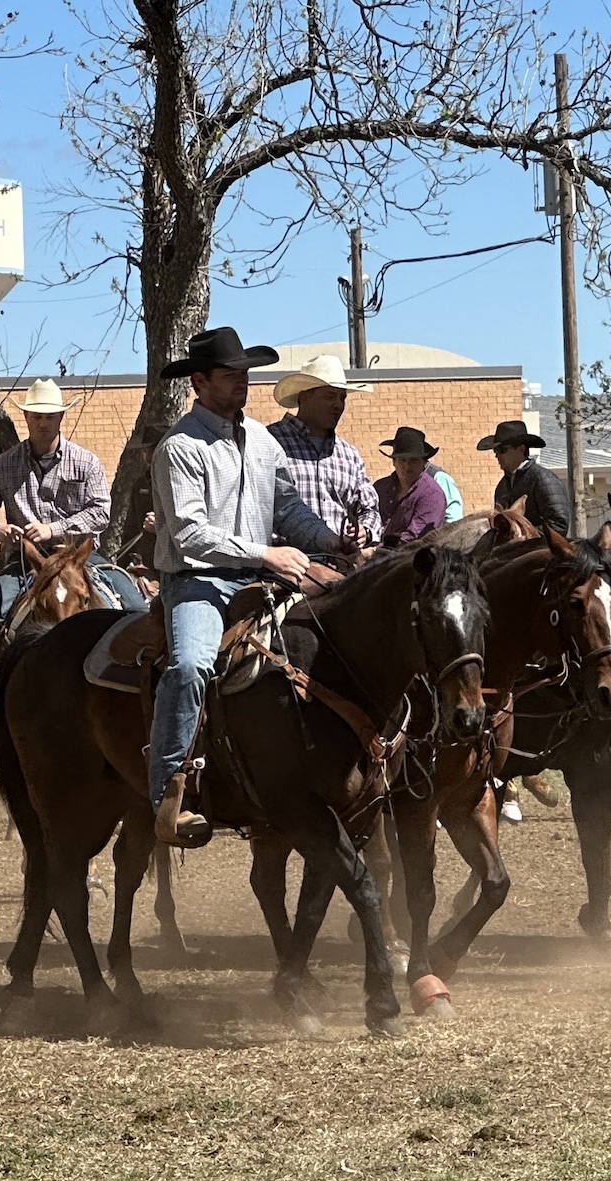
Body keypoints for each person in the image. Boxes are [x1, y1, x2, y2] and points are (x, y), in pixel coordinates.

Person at [150, 327, 347, 846]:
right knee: (190, 663)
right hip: (197, 581)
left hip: (259, 575)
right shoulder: (179, 446)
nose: (242, 382)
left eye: (245, 373)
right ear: (199, 381)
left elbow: (287, 507)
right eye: (230, 375)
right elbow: (190, 534)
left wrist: (334, 542)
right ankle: (169, 791)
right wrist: (266, 553)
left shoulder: (262, 440)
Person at [0, 378, 138, 620]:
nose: (43, 423)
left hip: (80, 558)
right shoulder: (3, 465)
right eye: (37, 416)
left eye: (49, 416)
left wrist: (53, 529)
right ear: (26, 417)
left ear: (60, 417)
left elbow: (101, 512)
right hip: (25, 561)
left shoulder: (86, 462)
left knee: (137, 608)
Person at [267, 354, 377, 546]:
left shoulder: (349, 455)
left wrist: (365, 530)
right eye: (330, 396)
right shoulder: (270, 443)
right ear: (305, 397)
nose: (338, 404)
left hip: (340, 563)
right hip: (284, 565)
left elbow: (369, 508)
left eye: (342, 398)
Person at [481, 419, 574, 534]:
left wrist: (522, 535)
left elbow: (559, 525)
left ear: (521, 449)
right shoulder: (502, 487)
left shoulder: (543, 479)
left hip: (541, 550)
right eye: (495, 450)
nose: (496, 455)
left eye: (502, 450)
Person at [373, 426, 450, 546]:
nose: (407, 466)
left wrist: (375, 551)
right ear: (394, 462)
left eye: (413, 460)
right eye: (402, 460)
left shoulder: (432, 495)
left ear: (423, 462)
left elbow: (414, 538)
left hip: (409, 561)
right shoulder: (380, 488)